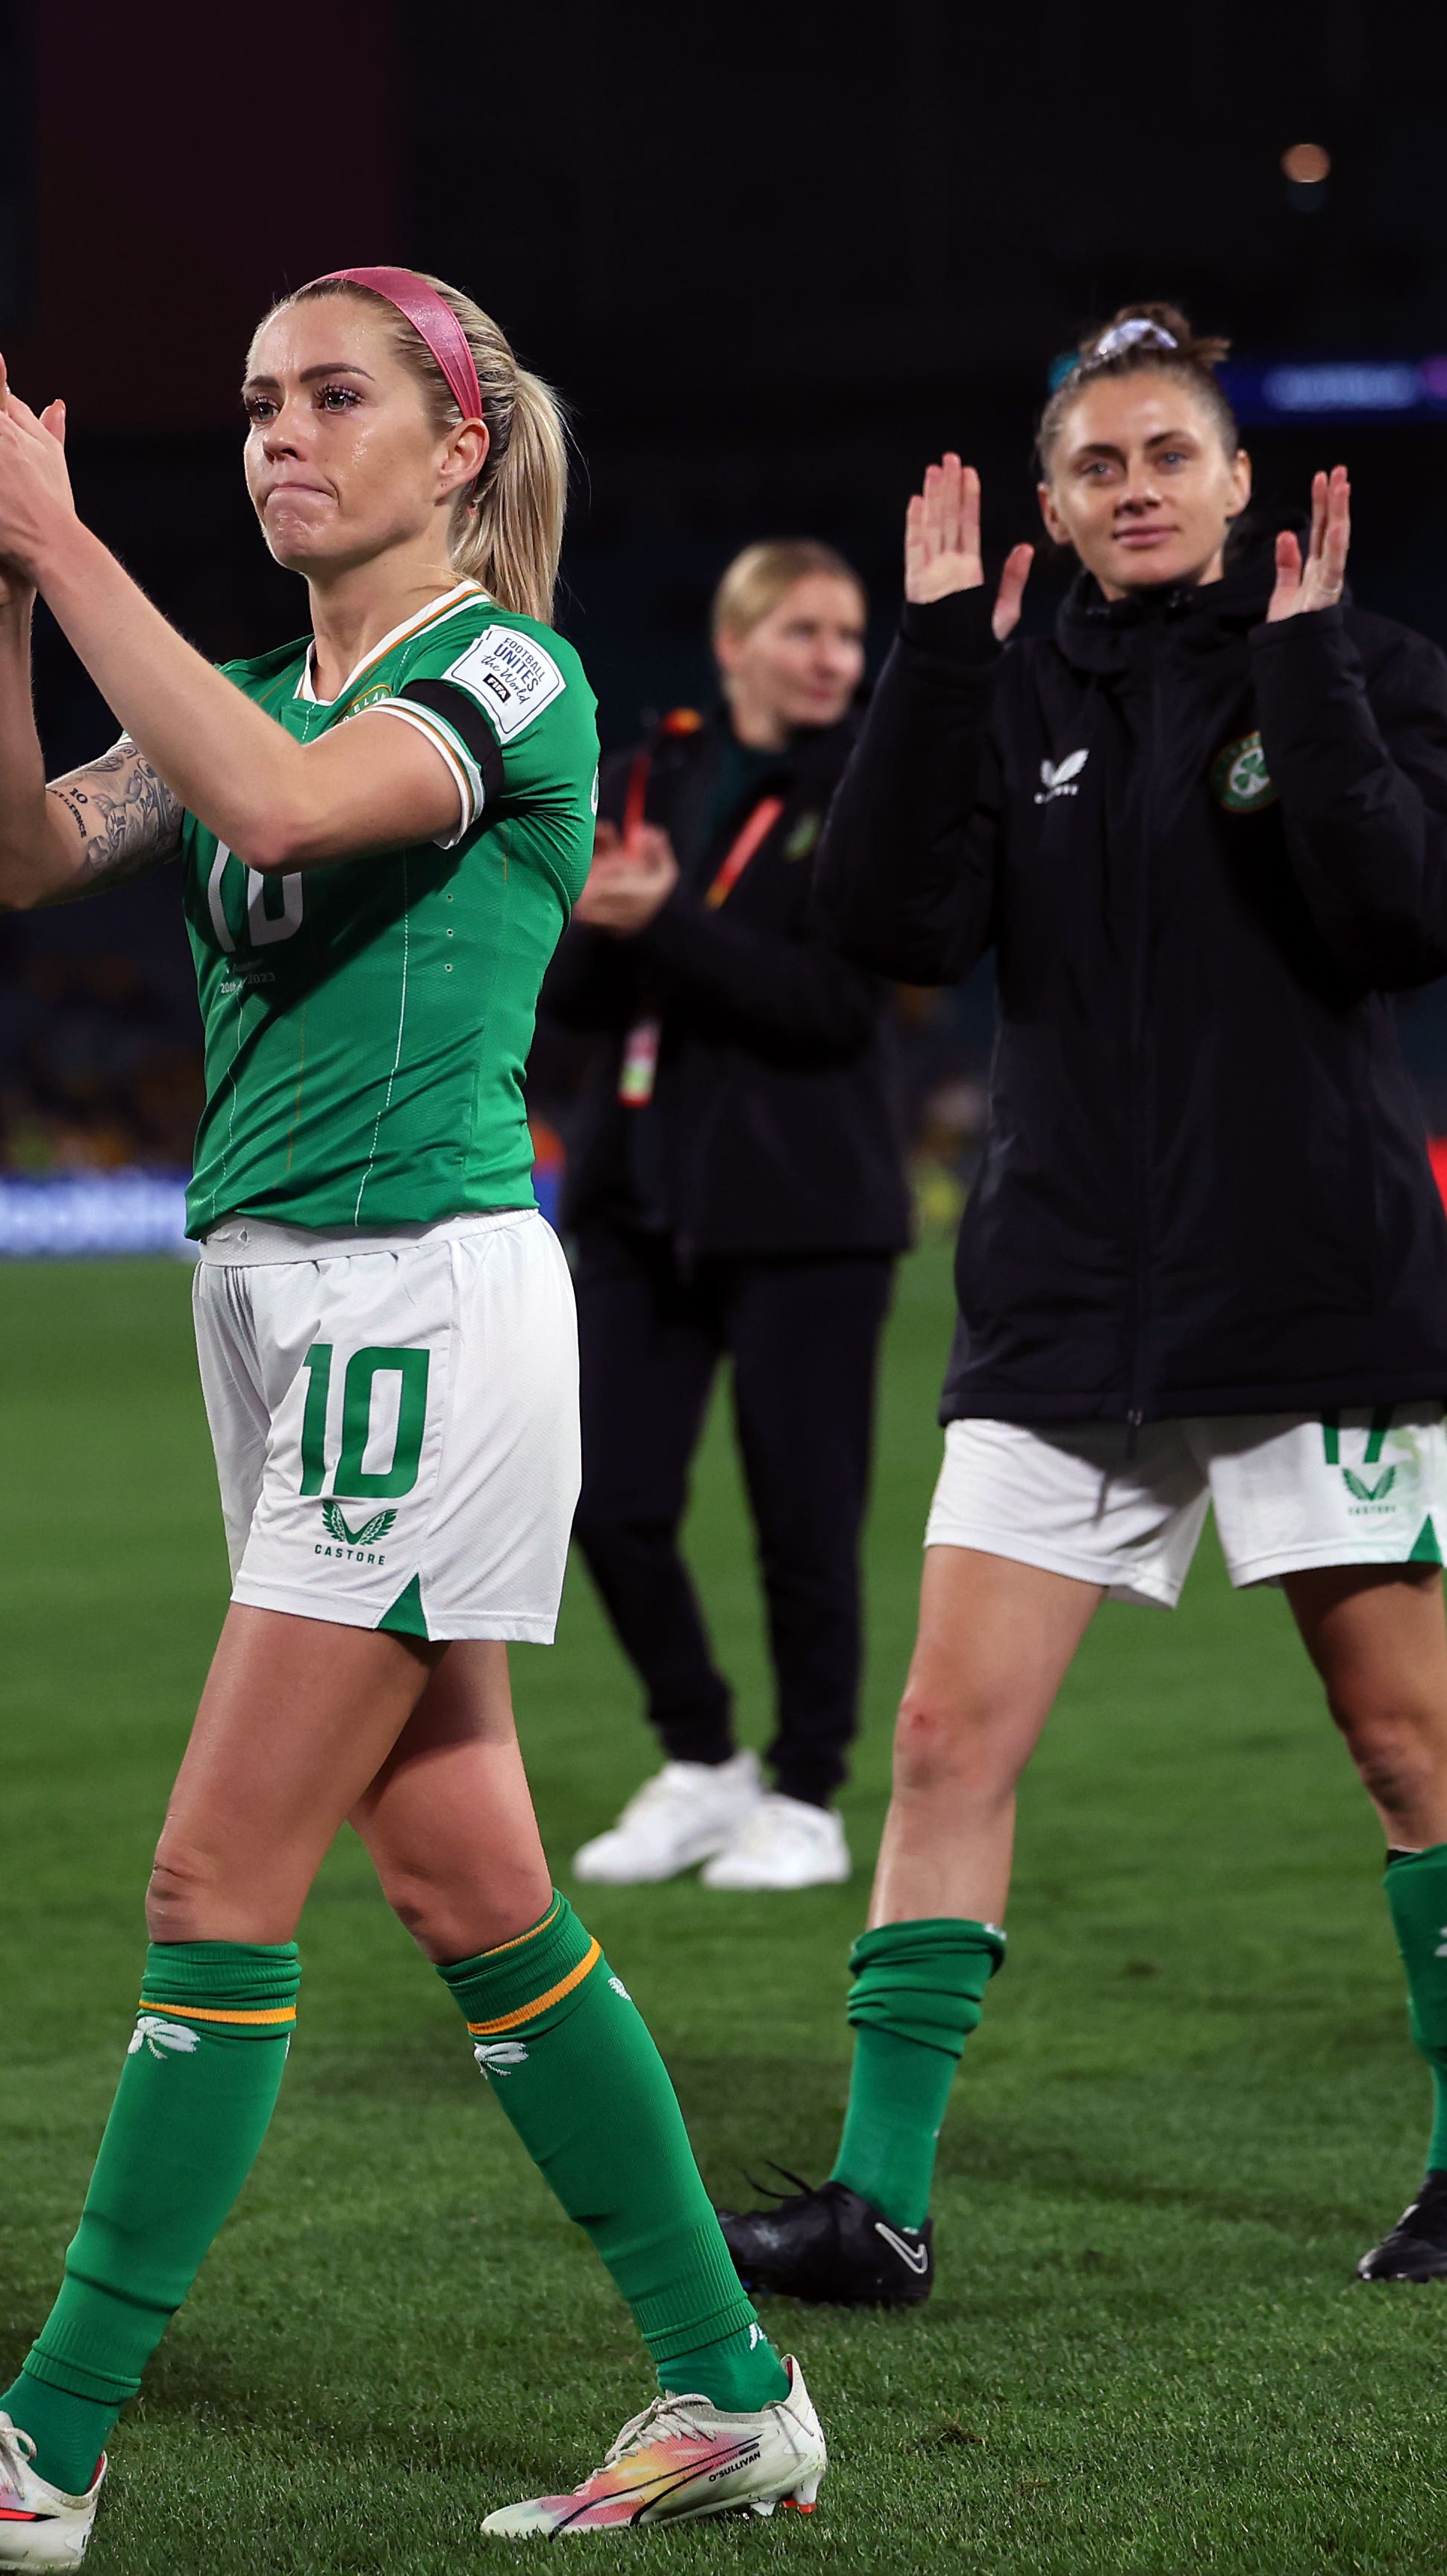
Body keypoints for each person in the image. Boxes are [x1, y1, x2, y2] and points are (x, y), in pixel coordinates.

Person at [0, 272, 826, 2567]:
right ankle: (731, 2388)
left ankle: (44, 2447)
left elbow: (265, 801)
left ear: (458, 446)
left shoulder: (501, 669)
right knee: (468, 1875)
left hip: (410, 1310)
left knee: (209, 1875)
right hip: (272, 1307)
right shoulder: (244, 678)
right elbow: (3, 858)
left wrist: (65, 548)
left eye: (331, 397)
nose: (277, 436)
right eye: (251, 400)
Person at [722, 304, 1447, 2303]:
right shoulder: (997, 690)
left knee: (1400, 1736)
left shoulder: (1369, 663)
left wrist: (1311, 674)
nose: (1139, 488)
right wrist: (927, 656)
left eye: (1172, 453)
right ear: (1051, 499)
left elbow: (1419, 914)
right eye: (1098, 463)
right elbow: (887, 927)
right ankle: (877, 2201)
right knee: (940, 1736)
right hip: (1069, 1294)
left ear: (1241, 480)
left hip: (1311, 1289)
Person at [541, 540, 910, 1894]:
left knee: (801, 1521)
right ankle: (703, 1760)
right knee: (602, 1496)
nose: (834, 658)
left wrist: (666, 923)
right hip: (642, 1196)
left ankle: (808, 1790)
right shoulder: (649, 776)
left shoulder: (875, 789)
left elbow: (836, 1004)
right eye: (806, 630)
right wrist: (595, 921)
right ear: (734, 642)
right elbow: (572, 1004)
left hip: (808, 1205)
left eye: (848, 632)